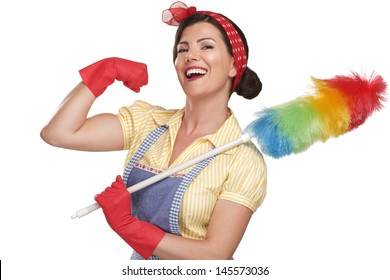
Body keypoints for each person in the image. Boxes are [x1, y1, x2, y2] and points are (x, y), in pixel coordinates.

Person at [40, 1, 267, 260]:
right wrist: (104, 71)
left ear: (233, 65)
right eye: (183, 49)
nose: (190, 55)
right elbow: (58, 133)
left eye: (206, 46)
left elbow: (215, 255)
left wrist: (129, 226)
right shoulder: (148, 122)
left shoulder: (243, 159)